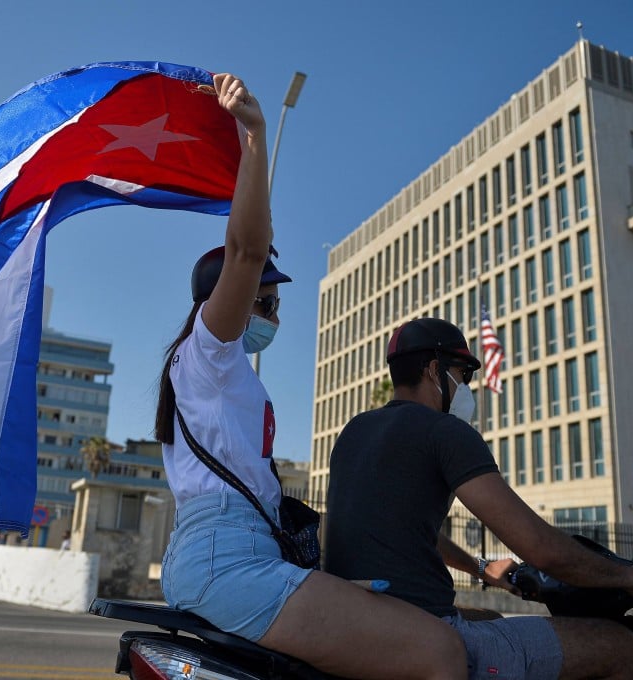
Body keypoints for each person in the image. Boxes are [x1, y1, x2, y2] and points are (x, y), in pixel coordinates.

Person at [155, 73, 467, 680]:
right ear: (224, 300)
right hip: (228, 561)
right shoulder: (208, 352)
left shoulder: (218, 375)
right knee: (441, 651)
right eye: (265, 302)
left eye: (276, 306)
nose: (274, 315)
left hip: (238, 550)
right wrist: (253, 135)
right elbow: (247, 251)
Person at [325, 317, 633, 680]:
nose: (466, 388)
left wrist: (481, 568)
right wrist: (629, 575)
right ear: (434, 370)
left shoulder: (354, 433)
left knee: (492, 618)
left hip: (356, 628)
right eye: (463, 374)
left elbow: (410, 530)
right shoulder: (445, 432)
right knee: (621, 648)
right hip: (423, 633)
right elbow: (540, 548)